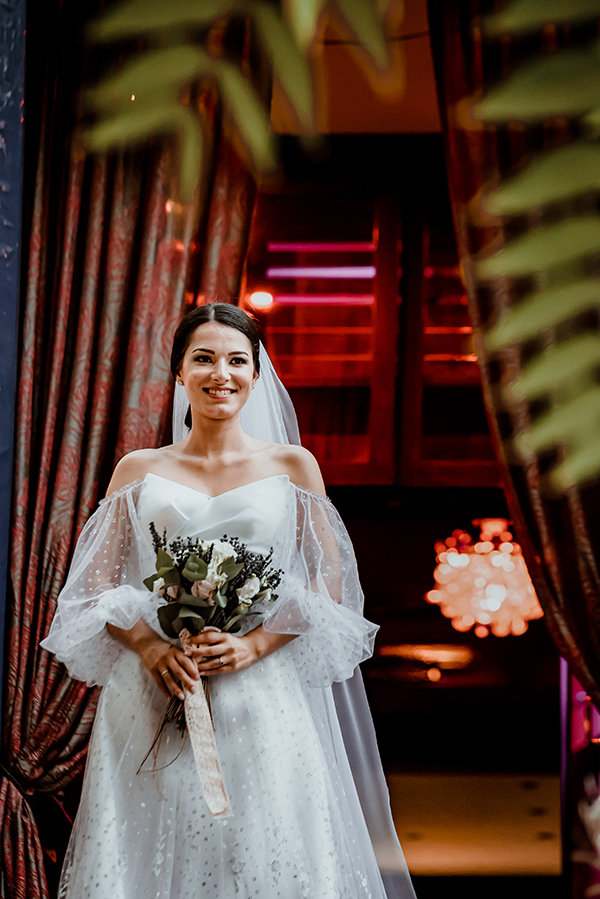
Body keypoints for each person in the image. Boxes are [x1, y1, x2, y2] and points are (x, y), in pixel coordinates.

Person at [41, 303, 417, 899]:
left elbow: (329, 586)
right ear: (178, 374)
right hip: (153, 692)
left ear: (257, 373)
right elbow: (92, 589)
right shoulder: (139, 469)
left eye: (238, 359)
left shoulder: (293, 466)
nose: (223, 373)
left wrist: (255, 644)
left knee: (262, 857)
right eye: (204, 358)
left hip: (261, 695)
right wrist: (147, 646)